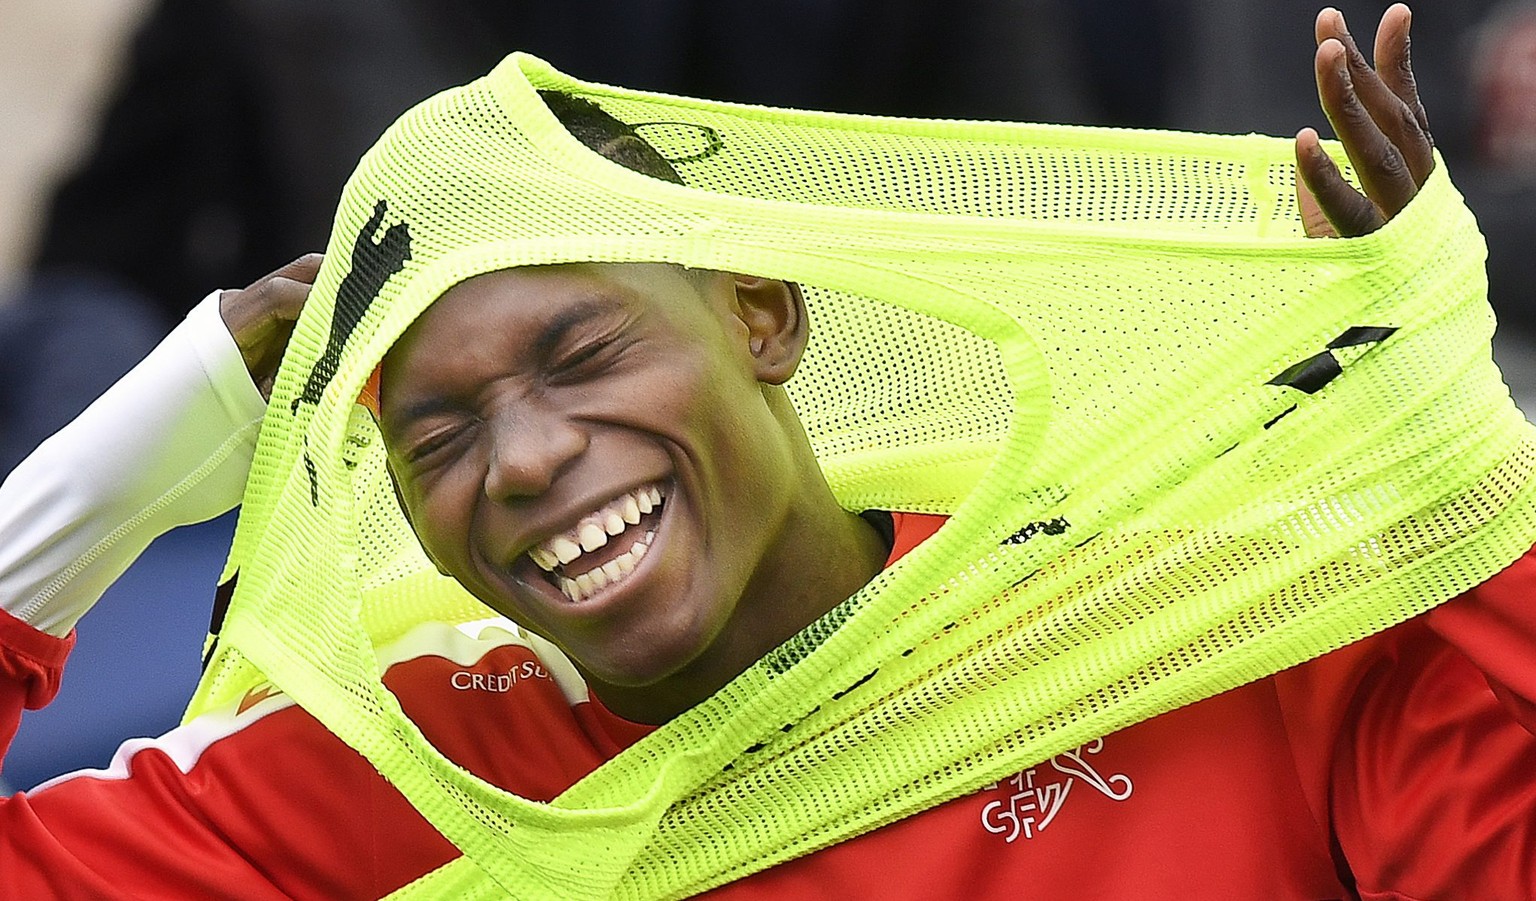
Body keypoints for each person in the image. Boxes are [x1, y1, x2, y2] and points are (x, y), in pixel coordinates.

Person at [1, 6, 1532, 898]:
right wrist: (152, 434)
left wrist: (1459, 454)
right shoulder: (422, 779)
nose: (523, 460)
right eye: (437, 434)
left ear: (763, 317)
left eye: (583, 355)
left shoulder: (1199, 621)